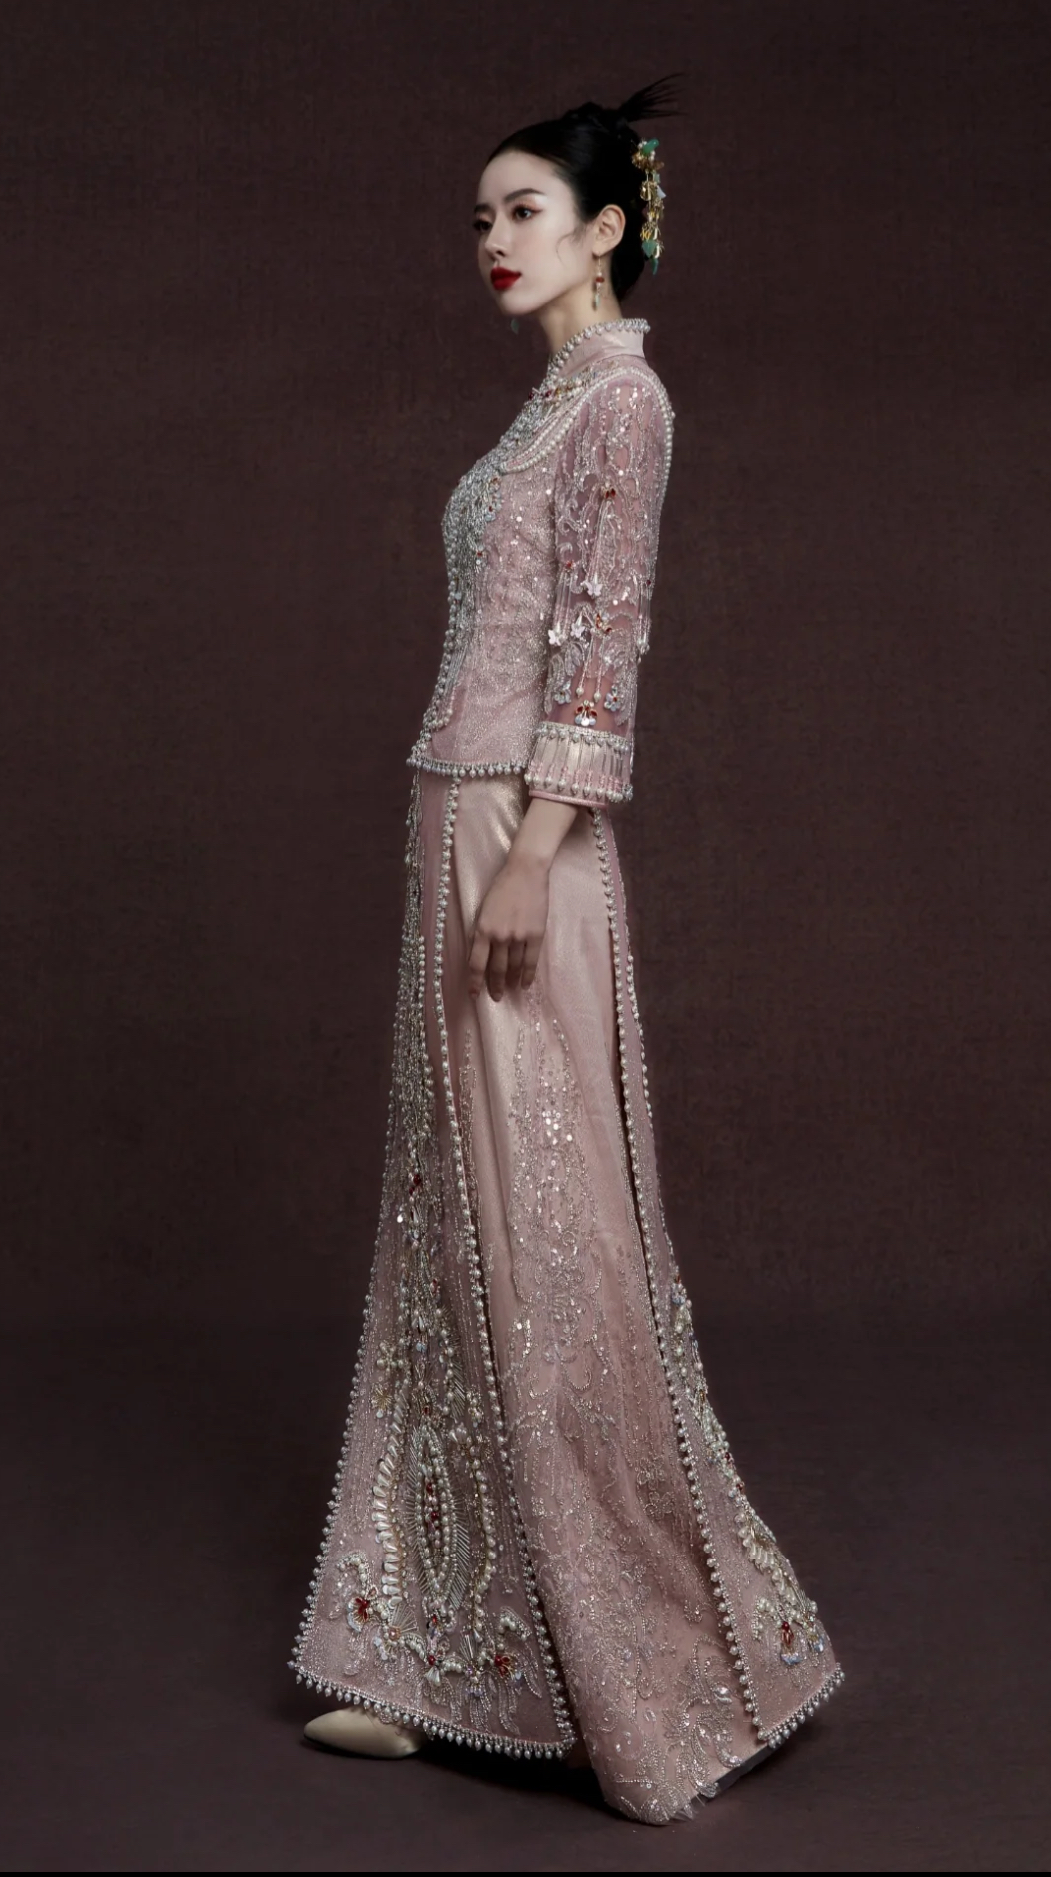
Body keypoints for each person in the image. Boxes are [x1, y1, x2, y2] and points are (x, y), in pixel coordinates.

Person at [290, 79, 842, 1825]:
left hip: (521, 836)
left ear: (605, 230)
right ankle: (439, 1650)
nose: (491, 240)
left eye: (521, 210)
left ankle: (651, 1671)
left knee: (549, 1232)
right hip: (451, 815)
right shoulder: (542, 408)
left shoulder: (622, 404)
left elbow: (603, 647)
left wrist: (531, 852)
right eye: (479, 217)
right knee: (449, 1223)